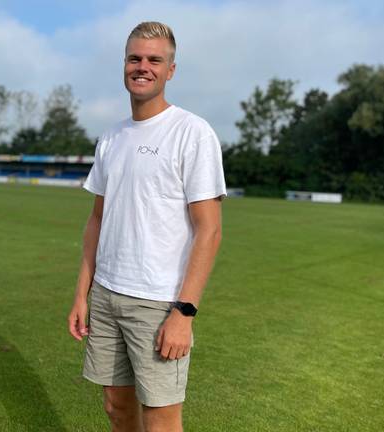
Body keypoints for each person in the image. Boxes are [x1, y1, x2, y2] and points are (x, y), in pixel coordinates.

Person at [68, 21, 226, 432]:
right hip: (106, 294)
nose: (143, 66)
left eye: (154, 60)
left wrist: (184, 313)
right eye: (135, 58)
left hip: (159, 303)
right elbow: (97, 220)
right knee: (116, 407)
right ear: (124, 64)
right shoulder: (112, 137)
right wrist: (82, 293)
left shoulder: (192, 133)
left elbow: (209, 230)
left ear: (170, 70)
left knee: (160, 417)